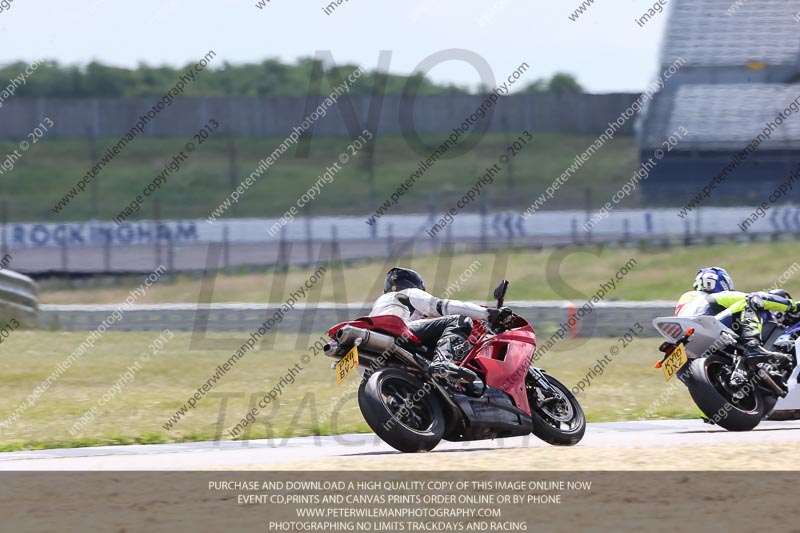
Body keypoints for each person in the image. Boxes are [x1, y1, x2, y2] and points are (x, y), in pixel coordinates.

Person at [369, 267, 510, 379]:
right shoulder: (409, 292)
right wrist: (488, 314)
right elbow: (442, 306)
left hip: (377, 349)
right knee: (459, 320)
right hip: (399, 332)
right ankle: (442, 361)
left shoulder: (380, 304)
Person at [681, 266, 798, 364]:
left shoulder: (688, 300)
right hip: (705, 328)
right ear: (723, 282)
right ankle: (753, 346)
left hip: (688, 339)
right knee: (752, 300)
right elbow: (757, 298)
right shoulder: (715, 296)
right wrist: (793, 306)